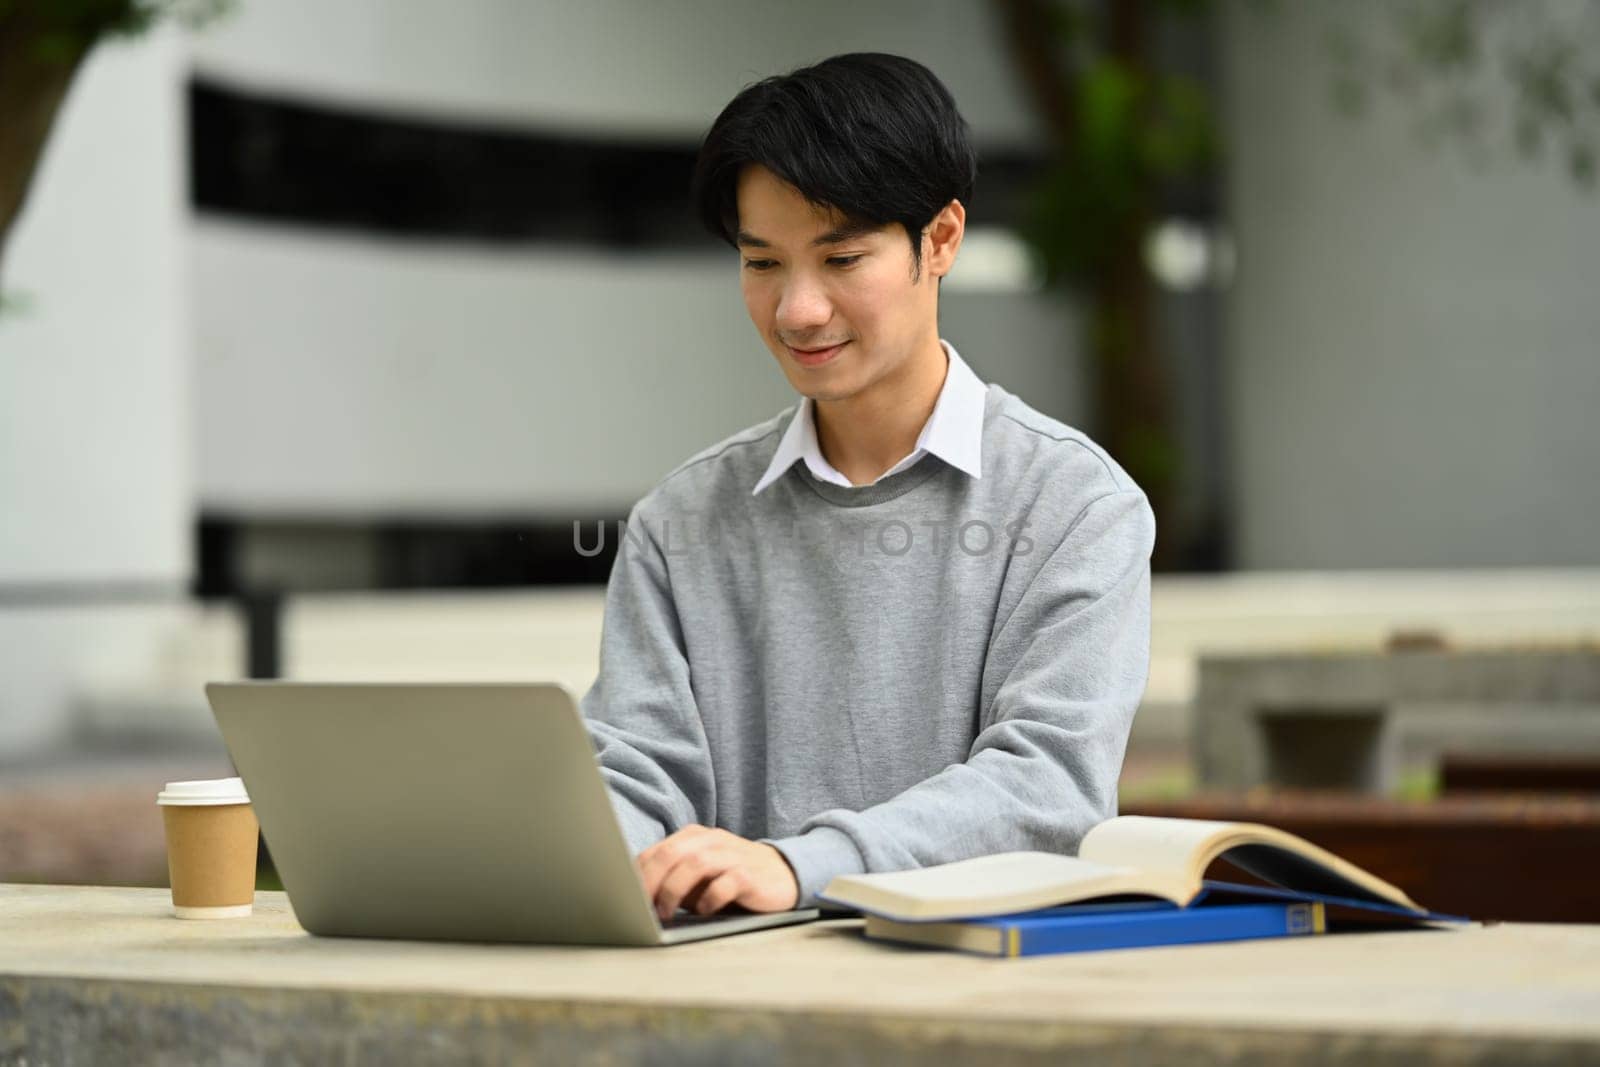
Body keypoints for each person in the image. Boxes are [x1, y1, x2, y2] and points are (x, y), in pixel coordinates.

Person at [580, 52, 1155, 921]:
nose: (797, 309)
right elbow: (635, 766)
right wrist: (579, 855)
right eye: (762, 262)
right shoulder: (680, 521)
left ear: (943, 238)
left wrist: (801, 864)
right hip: (733, 1004)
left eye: (842, 257)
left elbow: (1047, 788)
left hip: (976, 1001)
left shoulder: (1077, 505)